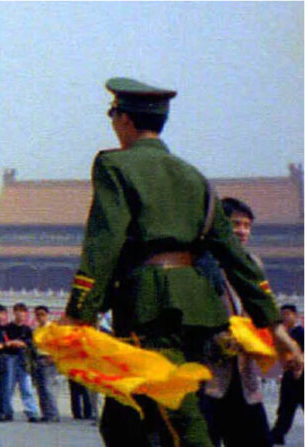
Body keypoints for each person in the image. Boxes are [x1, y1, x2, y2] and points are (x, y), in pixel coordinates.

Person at [60, 77, 303, 447]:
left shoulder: (115, 166)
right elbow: (234, 257)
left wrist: (81, 310)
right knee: (123, 417)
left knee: (177, 415)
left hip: (151, 306)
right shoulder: (194, 176)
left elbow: (103, 241)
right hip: (199, 308)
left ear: (123, 119)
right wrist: (274, 325)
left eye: (113, 115)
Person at [199, 198, 275, 446]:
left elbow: (263, 312)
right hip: (208, 375)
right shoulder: (199, 264)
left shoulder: (253, 265)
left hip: (245, 375)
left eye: (247, 225)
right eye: (236, 224)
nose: (242, 231)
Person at [270, 304, 304, 445]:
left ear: (295, 316)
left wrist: (299, 368)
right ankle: (277, 435)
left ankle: (277, 434)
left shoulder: (300, 333)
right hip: (289, 376)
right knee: (285, 408)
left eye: (287, 314)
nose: (284, 317)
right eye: (282, 314)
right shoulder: (284, 334)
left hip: (300, 376)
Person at [4, 302, 41, 422]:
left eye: (23, 312)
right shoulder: (8, 327)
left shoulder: (27, 329)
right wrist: (13, 343)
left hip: (23, 360)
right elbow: (4, 342)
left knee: (26, 387)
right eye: (18, 311)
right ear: (14, 313)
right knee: (8, 386)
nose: (20, 314)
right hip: (10, 358)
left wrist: (21, 343)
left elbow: (30, 343)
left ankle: (32, 412)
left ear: (26, 314)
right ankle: (7, 411)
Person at [31, 305, 59, 422]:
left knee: (48, 387)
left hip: (49, 359)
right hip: (39, 359)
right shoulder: (37, 330)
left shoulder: (53, 328)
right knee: (41, 389)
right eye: (37, 315)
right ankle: (46, 414)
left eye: (42, 314)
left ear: (47, 315)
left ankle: (53, 414)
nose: (40, 317)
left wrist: (55, 357)